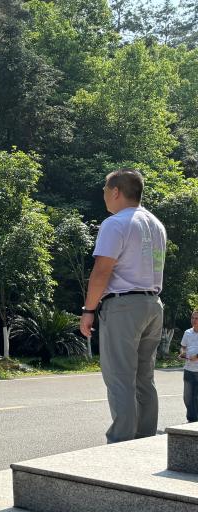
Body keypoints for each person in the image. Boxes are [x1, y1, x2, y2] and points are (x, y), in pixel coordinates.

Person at [79, 169, 167, 444]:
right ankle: (145, 439)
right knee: (144, 377)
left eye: (105, 190)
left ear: (116, 191)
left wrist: (88, 310)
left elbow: (102, 271)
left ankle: (121, 443)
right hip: (153, 304)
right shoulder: (156, 224)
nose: (104, 195)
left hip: (124, 305)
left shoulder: (115, 223)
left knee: (120, 377)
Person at [180, 309, 198, 423]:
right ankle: (192, 420)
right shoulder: (187, 332)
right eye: (192, 318)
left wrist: (197, 356)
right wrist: (182, 353)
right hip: (188, 370)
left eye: (197, 318)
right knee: (187, 397)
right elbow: (183, 346)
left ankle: (193, 421)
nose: (194, 320)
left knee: (196, 397)